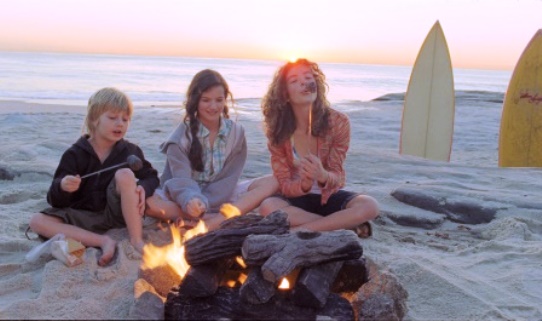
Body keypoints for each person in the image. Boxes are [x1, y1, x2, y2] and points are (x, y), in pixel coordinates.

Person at [28, 87, 160, 266]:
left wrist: (143, 187)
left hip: (118, 214)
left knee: (125, 174)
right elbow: (54, 200)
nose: (120, 123)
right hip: (83, 217)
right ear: (94, 119)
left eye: (125, 119)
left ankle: (136, 240)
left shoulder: (130, 151)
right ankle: (103, 241)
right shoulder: (74, 154)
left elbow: (151, 176)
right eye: (112, 118)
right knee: (37, 221)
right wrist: (63, 187)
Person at [145, 69, 278, 230]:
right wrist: (193, 201)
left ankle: (209, 220)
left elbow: (230, 178)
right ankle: (219, 218)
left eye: (219, 100)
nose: (213, 106)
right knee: (149, 202)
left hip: (222, 194)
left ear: (225, 100)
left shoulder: (236, 133)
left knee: (273, 180)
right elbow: (180, 180)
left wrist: (208, 202)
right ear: (195, 101)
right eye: (206, 100)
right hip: (185, 197)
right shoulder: (180, 138)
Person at [259, 58, 379, 236]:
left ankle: (300, 230)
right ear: (284, 94)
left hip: (327, 196)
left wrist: (322, 175)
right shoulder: (278, 130)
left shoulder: (338, 122)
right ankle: (341, 225)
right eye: (294, 81)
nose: (304, 83)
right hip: (296, 200)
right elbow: (284, 184)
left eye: (308, 77)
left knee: (370, 205)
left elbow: (338, 176)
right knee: (268, 207)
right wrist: (304, 185)